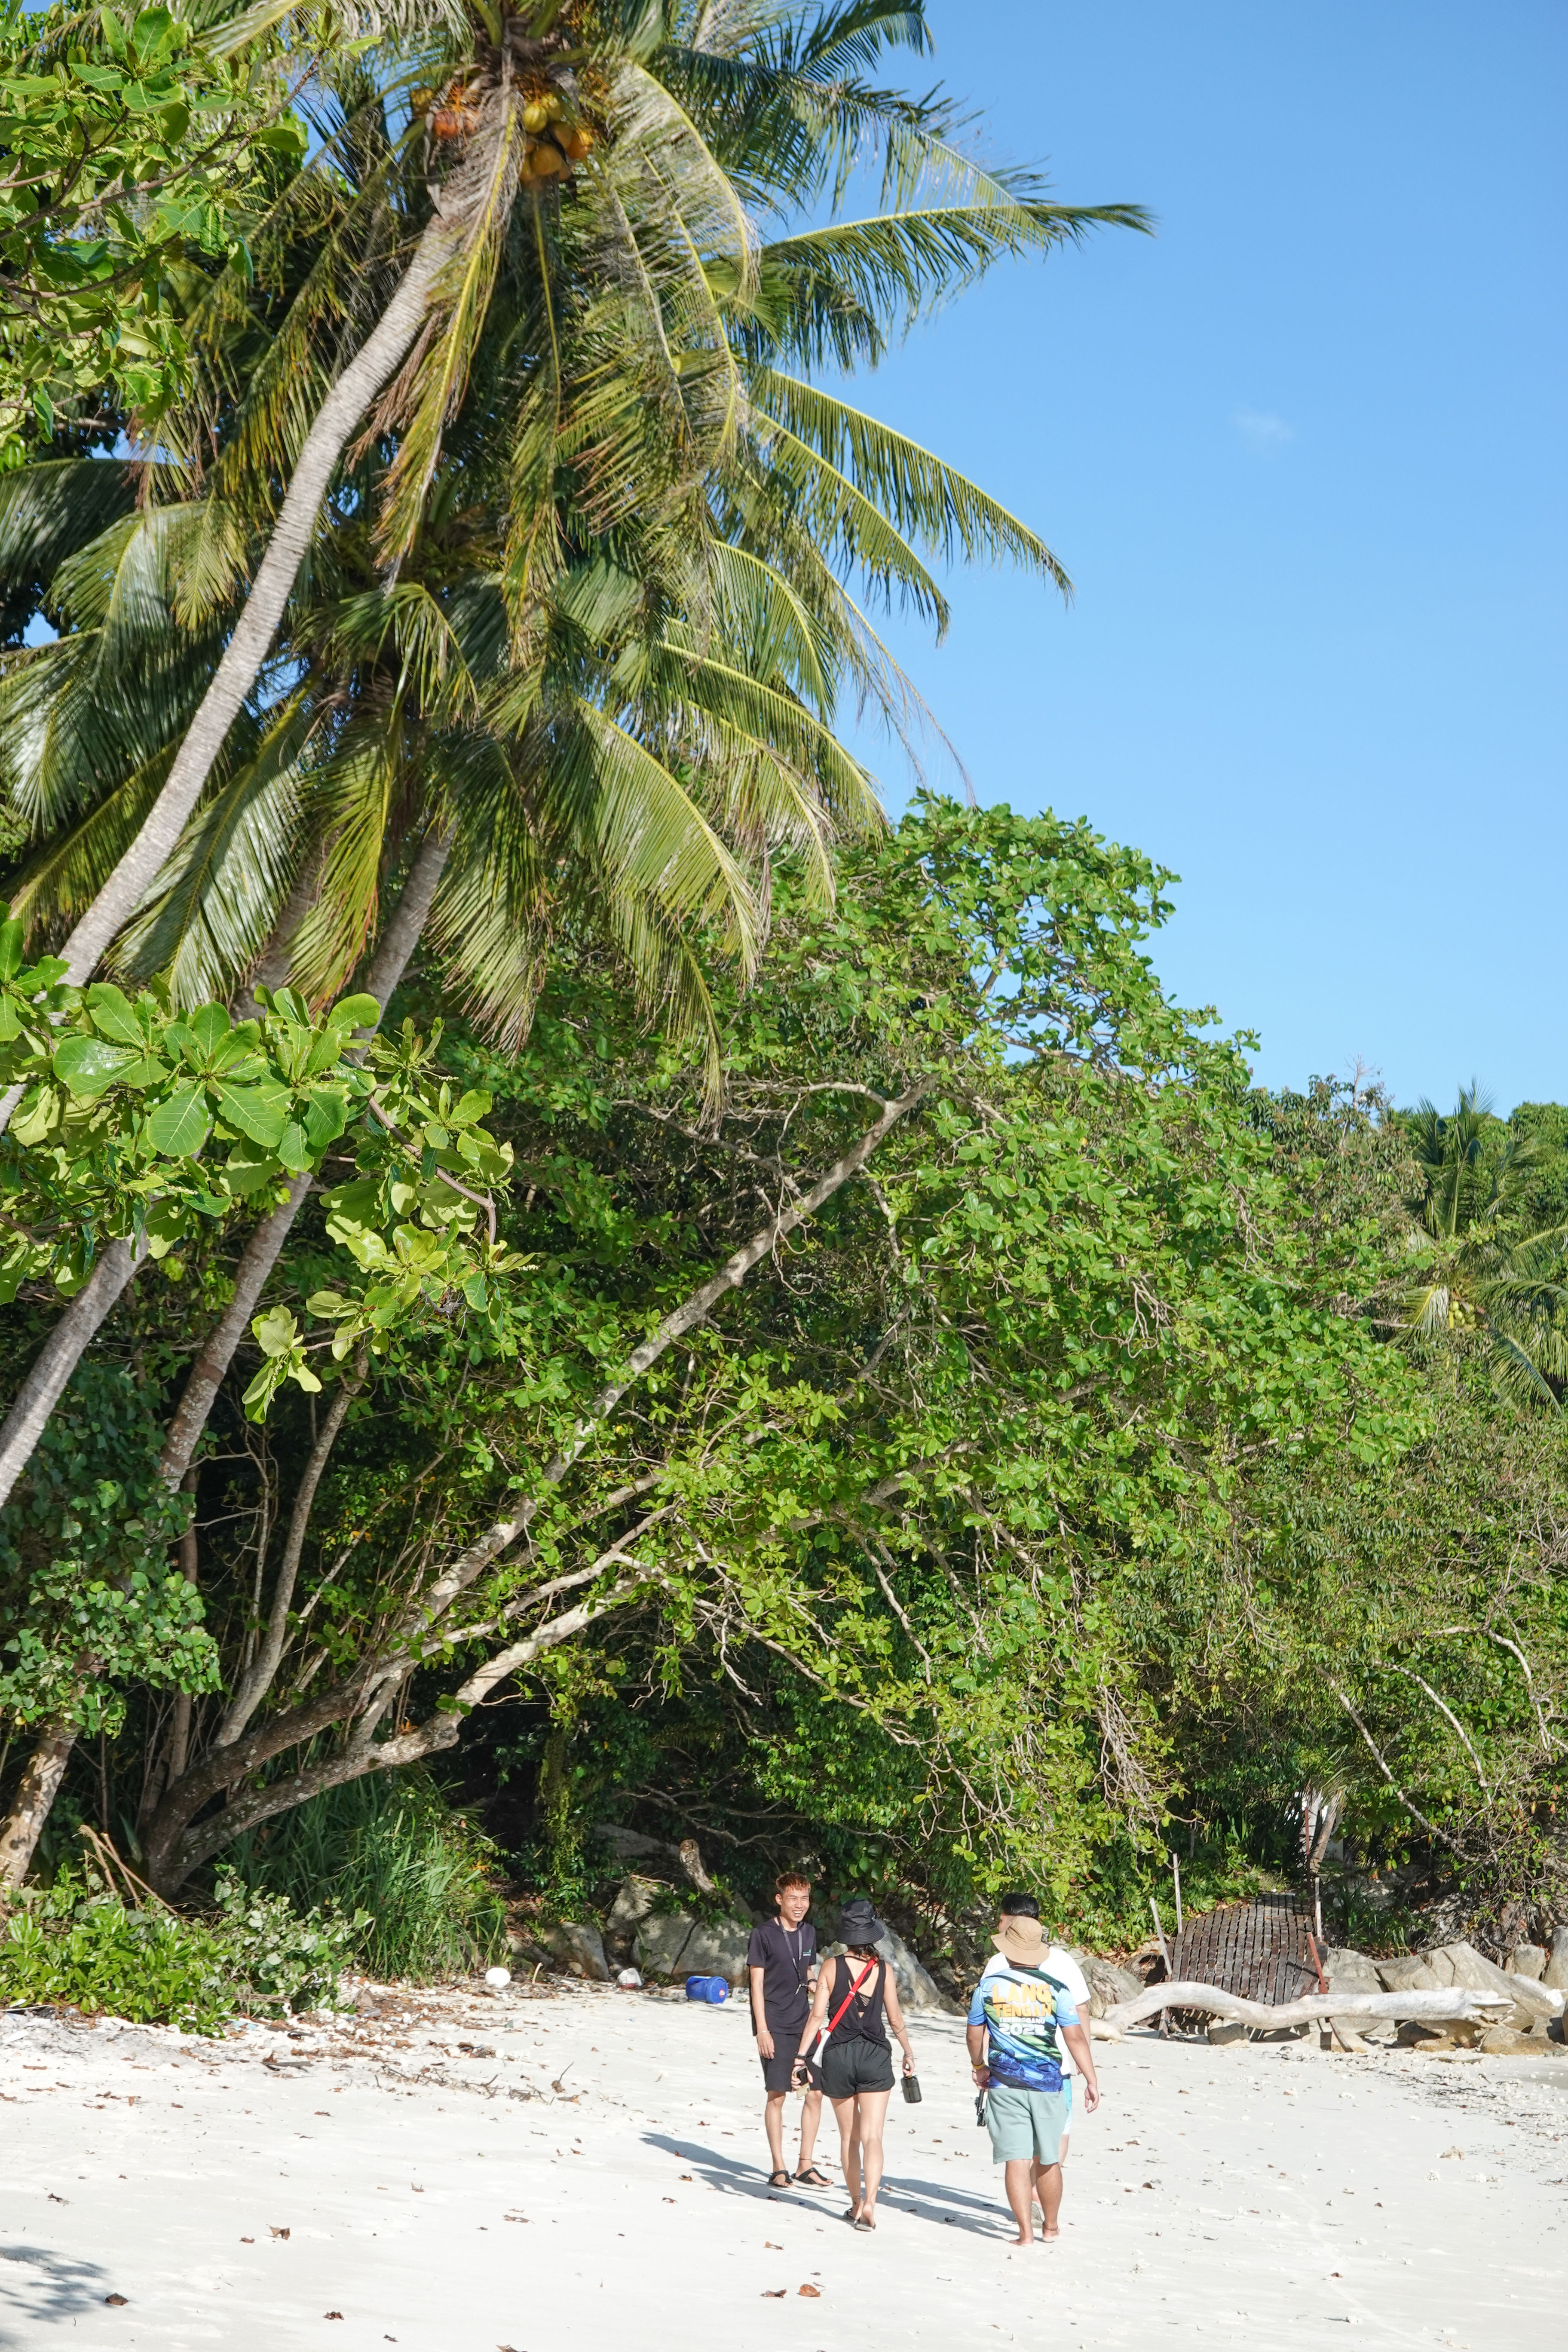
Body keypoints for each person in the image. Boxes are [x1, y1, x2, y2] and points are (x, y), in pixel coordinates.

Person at [967, 1902, 1100, 2247]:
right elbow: (1075, 2038)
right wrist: (1092, 2079)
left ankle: (1024, 2234)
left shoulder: (988, 1987)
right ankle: (1051, 2228)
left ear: (1007, 1951)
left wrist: (979, 2066)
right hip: (1049, 2085)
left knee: (1016, 2158)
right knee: (1049, 2159)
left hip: (1004, 2082)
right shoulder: (1058, 1990)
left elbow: (974, 2033)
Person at [791, 1897, 916, 2232]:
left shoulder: (830, 1967)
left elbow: (818, 2017)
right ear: (873, 1934)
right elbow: (895, 2017)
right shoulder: (884, 1970)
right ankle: (872, 2205)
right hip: (876, 2056)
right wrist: (908, 2051)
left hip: (839, 2056)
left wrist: (801, 2058)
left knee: (850, 2138)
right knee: (874, 2137)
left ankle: (856, 2204)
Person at [994, 1892, 1093, 2166]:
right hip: (1057, 2064)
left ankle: (1028, 2197)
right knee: (1059, 2131)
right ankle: (1040, 2191)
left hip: (1007, 2067)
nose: (998, 1925)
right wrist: (1083, 2063)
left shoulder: (997, 1963)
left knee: (1019, 2139)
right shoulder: (1063, 1961)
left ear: (1011, 1921)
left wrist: (979, 2062)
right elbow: (1081, 2010)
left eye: (1001, 1919)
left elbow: (984, 2017)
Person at [747, 1871, 827, 2190]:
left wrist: (813, 1984)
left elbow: (805, 1968)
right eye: (792, 1898)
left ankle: (805, 2164)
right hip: (775, 2024)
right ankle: (778, 2166)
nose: (799, 1905)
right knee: (778, 2094)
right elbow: (756, 1986)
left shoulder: (809, 1932)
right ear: (779, 1899)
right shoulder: (763, 1934)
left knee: (815, 2092)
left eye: (805, 1898)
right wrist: (762, 2030)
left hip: (804, 2024)